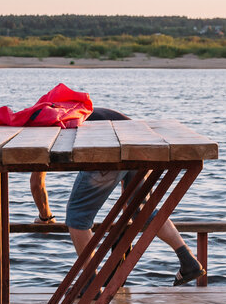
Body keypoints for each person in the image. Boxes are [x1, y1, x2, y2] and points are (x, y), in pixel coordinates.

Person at [29, 107, 205, 286]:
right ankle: (187, 259)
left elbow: (37, 183)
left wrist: (46, 217)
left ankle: (90, 283)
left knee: (77, 216)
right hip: (140, 144)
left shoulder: (43, 126)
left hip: (108, 150)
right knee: (141, 209)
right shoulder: (70, 111)